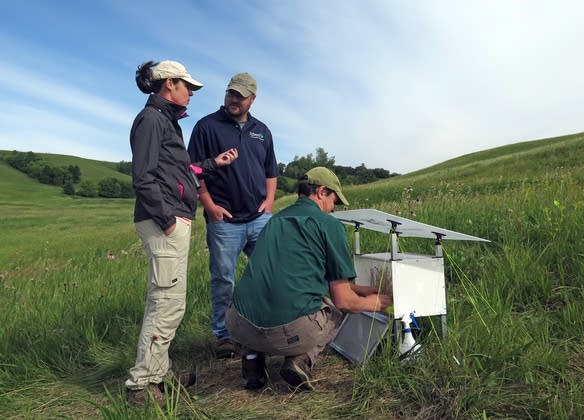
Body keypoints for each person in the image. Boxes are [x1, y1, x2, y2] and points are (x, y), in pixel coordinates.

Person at [126, 60, 238, 406]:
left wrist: (212, 164)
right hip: (165, 222)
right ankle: (141, 386)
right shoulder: (152, 120)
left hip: (172, 219)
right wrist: (168, 219)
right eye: (187, 86)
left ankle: (159, 374)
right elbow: (143, 177)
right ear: (169, 84)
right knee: (165, 303)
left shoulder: (166, 122)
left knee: (169, 301)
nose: (191, 93)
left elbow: (180, 169)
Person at [225, 167, 392, 391]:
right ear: (322, 192)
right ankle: (300, 360)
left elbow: (289, 277)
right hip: (287, 334)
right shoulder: (328, 224)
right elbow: (344, 301)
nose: (333, 209)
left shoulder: (274, 221)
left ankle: (253, 358)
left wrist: (358, 288)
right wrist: (377, 303)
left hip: (238, 325)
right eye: (334, 201)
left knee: (264, 299)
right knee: (333, 310)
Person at [187, 72, 278, 359]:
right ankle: (225, 336)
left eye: (240, 95)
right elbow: (192, 170)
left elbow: (271, 171)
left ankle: (267, 327)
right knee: (223, 279)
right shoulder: (206, 127)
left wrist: (270, 200)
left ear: (252, 98)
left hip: (259, 218)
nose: (233, 100)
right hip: (224, 220)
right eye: (230, 93)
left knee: (270, 272)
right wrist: (209, 205)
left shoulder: (261, 130)